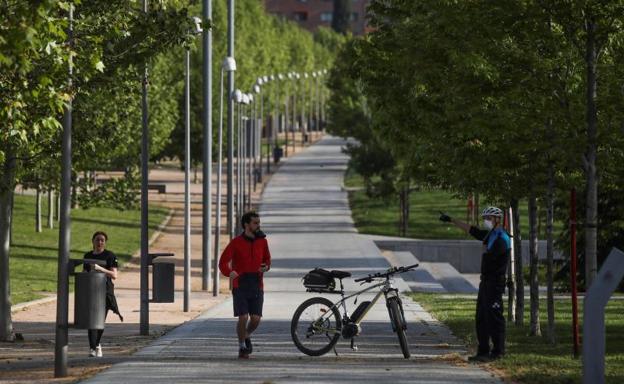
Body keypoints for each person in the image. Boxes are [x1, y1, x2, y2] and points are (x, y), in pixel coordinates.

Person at [439, 206, 510, 362]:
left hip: (495, 283)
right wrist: (451, 219)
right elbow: (472, 230)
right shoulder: (491, 234)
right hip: (485, 282)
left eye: (489, 218)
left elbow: (491, 257)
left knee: (494, 317)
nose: (486, 221)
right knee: (481, 317)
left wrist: (484, 248)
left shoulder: (501, 237)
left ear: (497, 219)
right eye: (485, 218)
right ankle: (483, 351)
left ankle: (498, 352)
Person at [219, 211, 271, 359]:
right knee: (243, 317)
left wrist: (265, 267)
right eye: (255, 223)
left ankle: (246, 335)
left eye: (258, 223)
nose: (258, 225)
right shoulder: (236, 242)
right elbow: (223, 262)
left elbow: (267, 260)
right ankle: (242, 346)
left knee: (255, 319)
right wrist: (229, 273)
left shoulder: (263, 241)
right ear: (246, 224)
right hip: (240, 284)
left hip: (257, 284)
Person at [83, 231, 123, 358]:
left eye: (102, 240)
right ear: (93, 241)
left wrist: (100, 269)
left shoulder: (110, 256)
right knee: (91, 321)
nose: (99, 242)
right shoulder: (88, 255)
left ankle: (97, 345)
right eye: (97, 240)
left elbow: (114, 275)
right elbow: (84, 272)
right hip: (91, 291)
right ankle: (92, 348)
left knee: (100, 320)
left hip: (105, 292)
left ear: (105, 242)